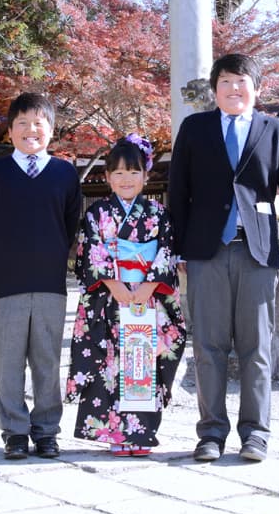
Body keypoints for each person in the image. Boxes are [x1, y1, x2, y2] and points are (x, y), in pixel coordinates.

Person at [168, 53, 279, 463]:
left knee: (257, 347)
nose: (234, 90)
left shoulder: (274, 130)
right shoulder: (195, 128)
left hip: (257, 251)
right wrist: (176, 247)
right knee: (208, 345)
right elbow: (177, 192)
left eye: (242, 82)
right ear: (215, 89)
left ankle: (255, 434)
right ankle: (211, 434)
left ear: (256, 88)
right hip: (205, 252)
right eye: (226, 82)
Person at [0, 92, 83, 460]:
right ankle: (15, 432)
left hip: (49, 281)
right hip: (5, 281)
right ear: (10, 130)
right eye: (21, 123)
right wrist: (5, 256)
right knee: (8, 361)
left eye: (38, 122)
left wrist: (49, 256)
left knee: (48, 360)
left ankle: (47, 431)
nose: (30, 130)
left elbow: (70, 223)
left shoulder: (65, 172)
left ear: (51, 129)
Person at [65, 134, 187, 457]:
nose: (126, 179)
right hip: (110, 299)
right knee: (111, 364)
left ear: (146, 176)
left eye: (134, 173)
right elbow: (89, 250)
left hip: (147, 298)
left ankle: (142, 433)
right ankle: (116, 434)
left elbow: (166, 252)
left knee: (143, 363)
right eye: (118, 173)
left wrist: (147, 287)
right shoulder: (97, 214)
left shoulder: (158, 214)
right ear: (106, 178)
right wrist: (114, 285)